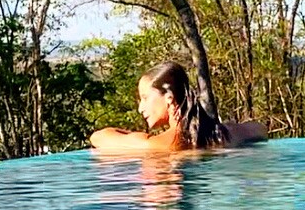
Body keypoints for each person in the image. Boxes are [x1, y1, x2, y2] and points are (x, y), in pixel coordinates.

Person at [89, 61, 267, 155]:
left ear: (169, 98)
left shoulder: (160, 144)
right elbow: (260, 129)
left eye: (145, 98)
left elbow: (98, 137)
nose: (140, 108)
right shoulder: (223, 134)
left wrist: (133, 134)